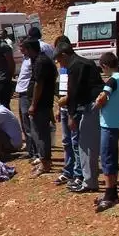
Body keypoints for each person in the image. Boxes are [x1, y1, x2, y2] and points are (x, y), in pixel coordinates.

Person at [61, 42, 106, 195]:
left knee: (86, 146)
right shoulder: (86, 62)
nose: (60, 64)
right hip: (94, 105)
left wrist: (71, 115)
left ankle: (90, 182)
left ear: (65, 55)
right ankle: (90, 180)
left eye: (60, 60)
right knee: (88, 145)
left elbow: (73, 92)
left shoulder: (74, 66)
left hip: (90, 107)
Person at [93, 52, 119, 211]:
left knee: (106, 158)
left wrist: (96, 105)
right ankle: (112, 192)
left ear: (105, 66)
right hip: (116, 122)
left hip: (108, 124)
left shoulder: (112, 80)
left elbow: (102, 98)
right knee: (112, 157)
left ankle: (109, 193)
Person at [23, 37, 57, 177]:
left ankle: (45, 163)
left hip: (40, 104)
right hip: (42, 103)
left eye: (24, 49)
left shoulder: (41, 62)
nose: (22, 51)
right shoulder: (39, 60)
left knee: (40, 133)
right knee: (39, 132)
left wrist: (33, 104)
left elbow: (39, 84)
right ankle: (44, 160)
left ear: (30, 49)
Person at [53, 38, 81, 187]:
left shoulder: (74, 66)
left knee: (75, 142)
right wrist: (59, 108)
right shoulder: (62, 67)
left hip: (72, 109)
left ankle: (78, 173)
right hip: (63, 108)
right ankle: (68, 170)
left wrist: (68, 107)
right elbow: (62, 90)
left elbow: (73, 91)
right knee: (66, 142)